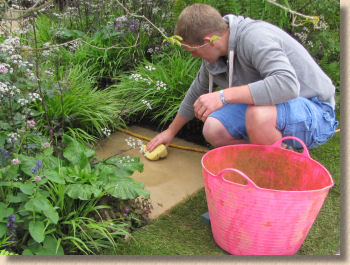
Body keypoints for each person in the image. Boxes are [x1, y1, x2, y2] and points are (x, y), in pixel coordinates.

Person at [146, 3, 338, 152]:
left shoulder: (255, 38)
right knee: (213, 129)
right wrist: (170, 132)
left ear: (208, 41)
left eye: (192, 51)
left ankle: (279, 173)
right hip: (275, 110)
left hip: (316, 111)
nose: (193, 56)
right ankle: (273, 154)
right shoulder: (215, 56)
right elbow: (197, 91)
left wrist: (223, 96)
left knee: (258, 116)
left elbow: (287, 85)